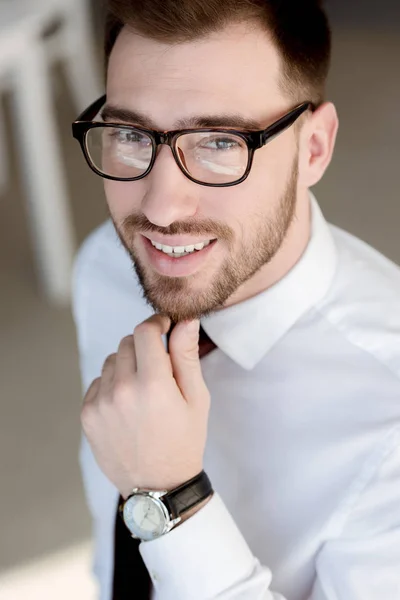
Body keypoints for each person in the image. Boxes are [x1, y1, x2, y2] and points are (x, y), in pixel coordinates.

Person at [71, 1, 400, 599]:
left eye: (220, 143)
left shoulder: (391, 413)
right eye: (129, 133)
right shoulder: (105, 266)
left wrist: (169, 497)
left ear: (314, 148)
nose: (162, 209)